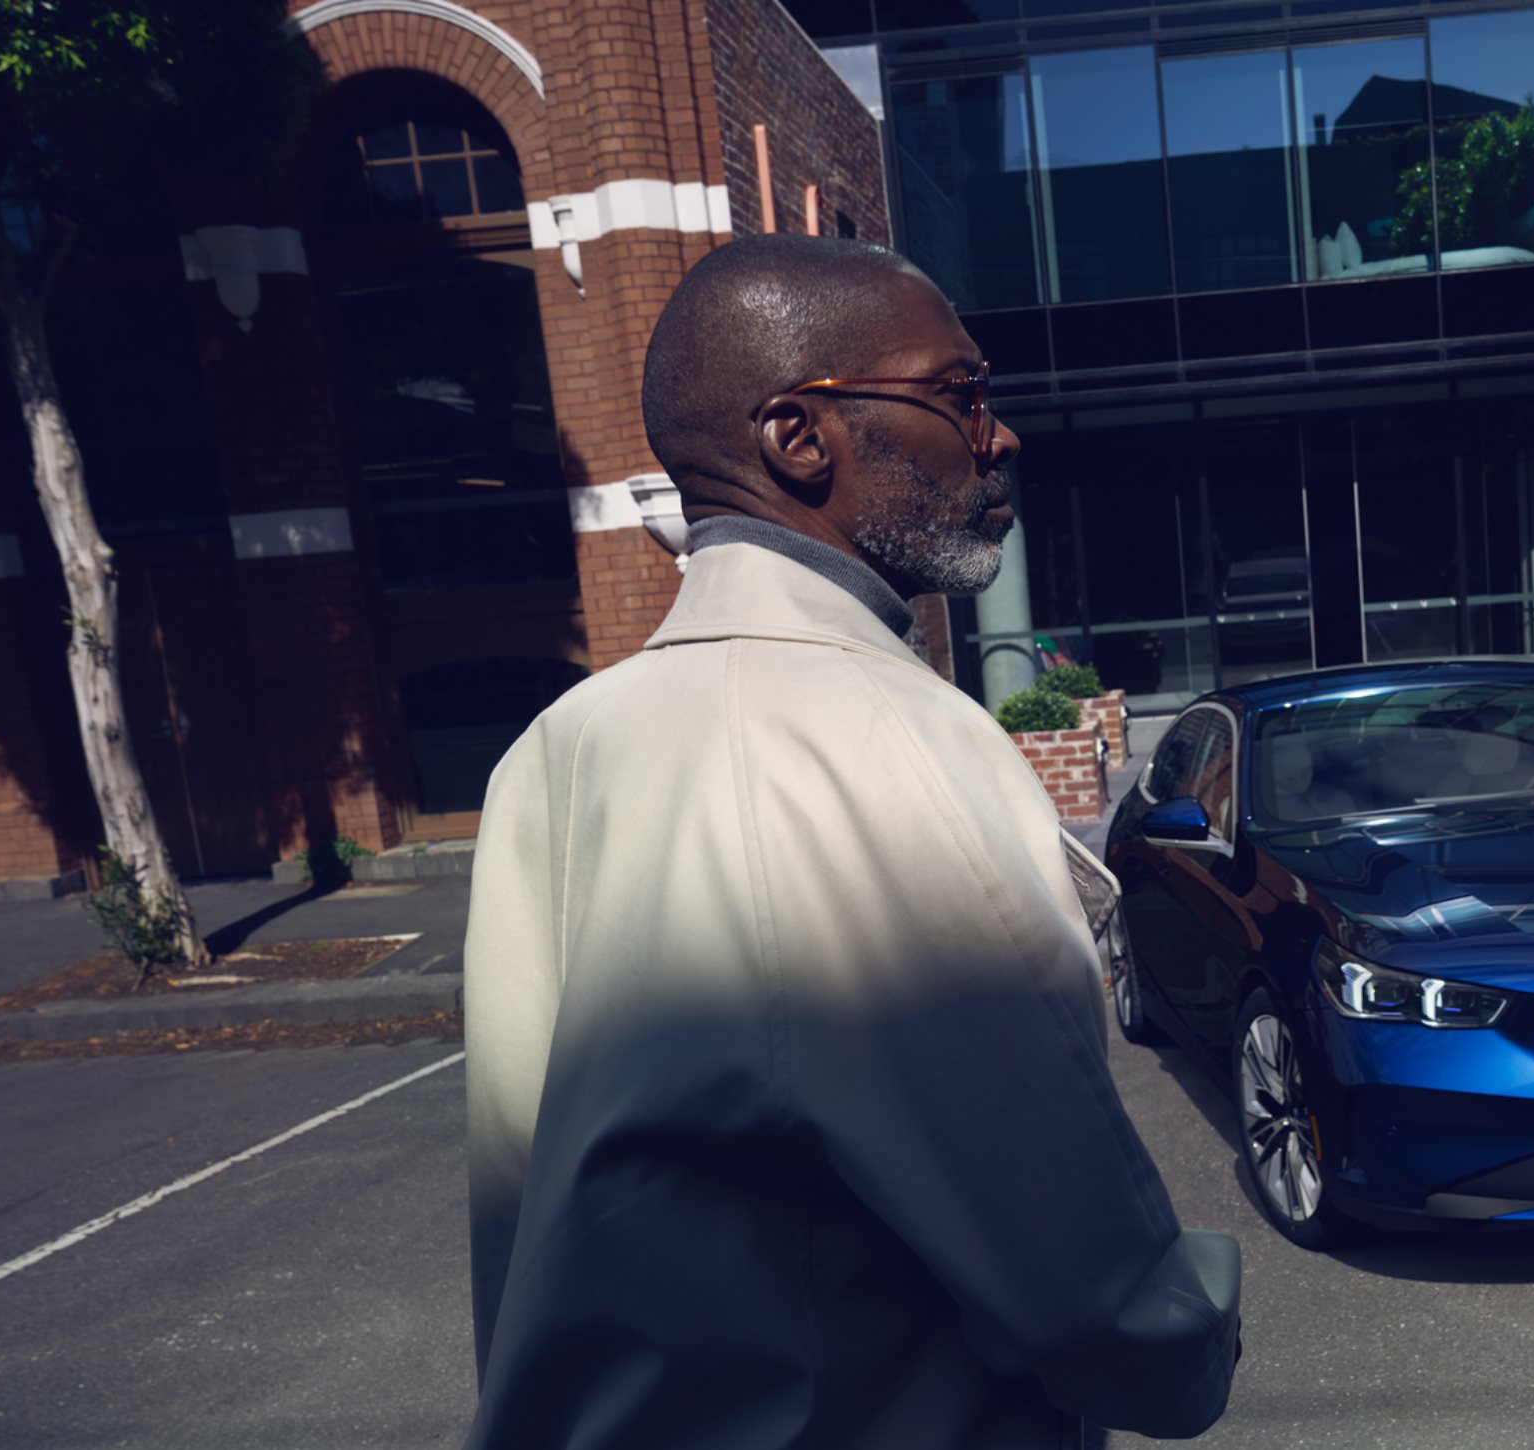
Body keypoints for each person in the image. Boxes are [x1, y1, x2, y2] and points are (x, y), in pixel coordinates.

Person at [460, 234, 1241, 1449]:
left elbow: (522, 1217)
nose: (1000, 435)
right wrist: (1197, 1327)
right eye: (959, 395)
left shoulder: (554, 755)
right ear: (796, 437)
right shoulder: (890, 741)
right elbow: (1096, 1296)